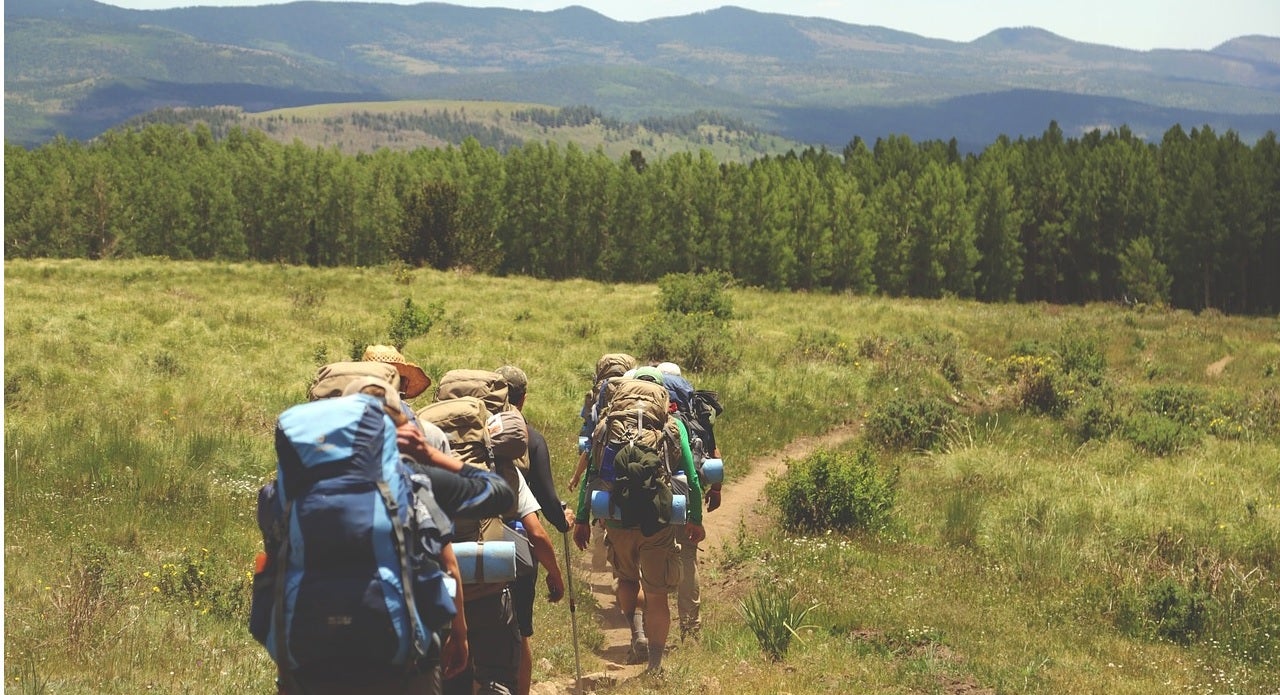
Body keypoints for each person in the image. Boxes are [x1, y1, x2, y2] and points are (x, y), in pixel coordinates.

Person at [258, 376, 515, 695]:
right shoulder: (413, 481)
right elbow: (501, 494)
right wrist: (431, 456)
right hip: (399, 668)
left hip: (308, 664)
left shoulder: (284, 494)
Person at [572, 366, 706, 674]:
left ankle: (637, 636)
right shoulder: (672, 426)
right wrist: (694, 518)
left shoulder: (607, 424)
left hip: (617, 518)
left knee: (627, 579)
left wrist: (582, 518)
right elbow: (692, 477)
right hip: (657, 519)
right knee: (657, 594)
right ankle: (655, 666)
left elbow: (592, 474)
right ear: (662, 395)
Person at [443, 466, 566, 695]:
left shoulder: (419, 465)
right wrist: (555, 573)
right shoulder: (503, 467)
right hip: (491, 589)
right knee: (498, 675)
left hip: (443, 594)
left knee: (450, 680)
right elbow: (536, 533)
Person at [495, 365, 573, 695]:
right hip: (517, 551)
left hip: (466, 546)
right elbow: (546, 498)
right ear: (523, 398)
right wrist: (563, 520)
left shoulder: (474, 438)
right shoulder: (531, 439)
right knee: (520, 632)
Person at [655, 361, 723, 641]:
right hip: (684, 491)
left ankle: (650, 630)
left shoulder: (647, 411)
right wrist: (715, 489)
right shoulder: (693, 411)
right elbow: (712, 454)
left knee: (650, 559)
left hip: (653, 494)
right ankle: (691, 629)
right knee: (687, 557)